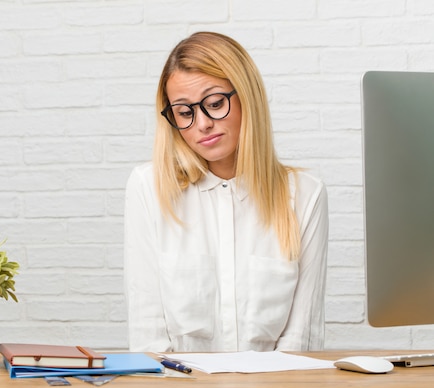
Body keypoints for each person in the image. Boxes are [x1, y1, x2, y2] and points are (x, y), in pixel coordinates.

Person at [123, 32, 328, 353]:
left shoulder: (304, 194)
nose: (202, 123)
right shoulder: (148, 187)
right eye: (184, 112)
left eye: (215, 103)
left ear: (248, 96)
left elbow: (302, 340)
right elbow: (148, 337)